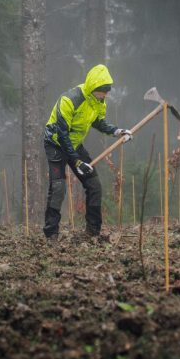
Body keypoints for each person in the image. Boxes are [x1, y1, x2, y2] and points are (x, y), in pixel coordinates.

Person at [43, 64, 133, 241]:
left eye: (108, 90)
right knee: (58, 188)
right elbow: (62, 135)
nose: (106, 94)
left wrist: (117, 131)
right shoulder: (69, 100)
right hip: (56, 144)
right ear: (93, 87)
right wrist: (77, 162)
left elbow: (98, 122)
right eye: (103, 90)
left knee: (94, 185)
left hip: (75, 145)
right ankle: (51, 234)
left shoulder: (98, 102)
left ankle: (93, 232)